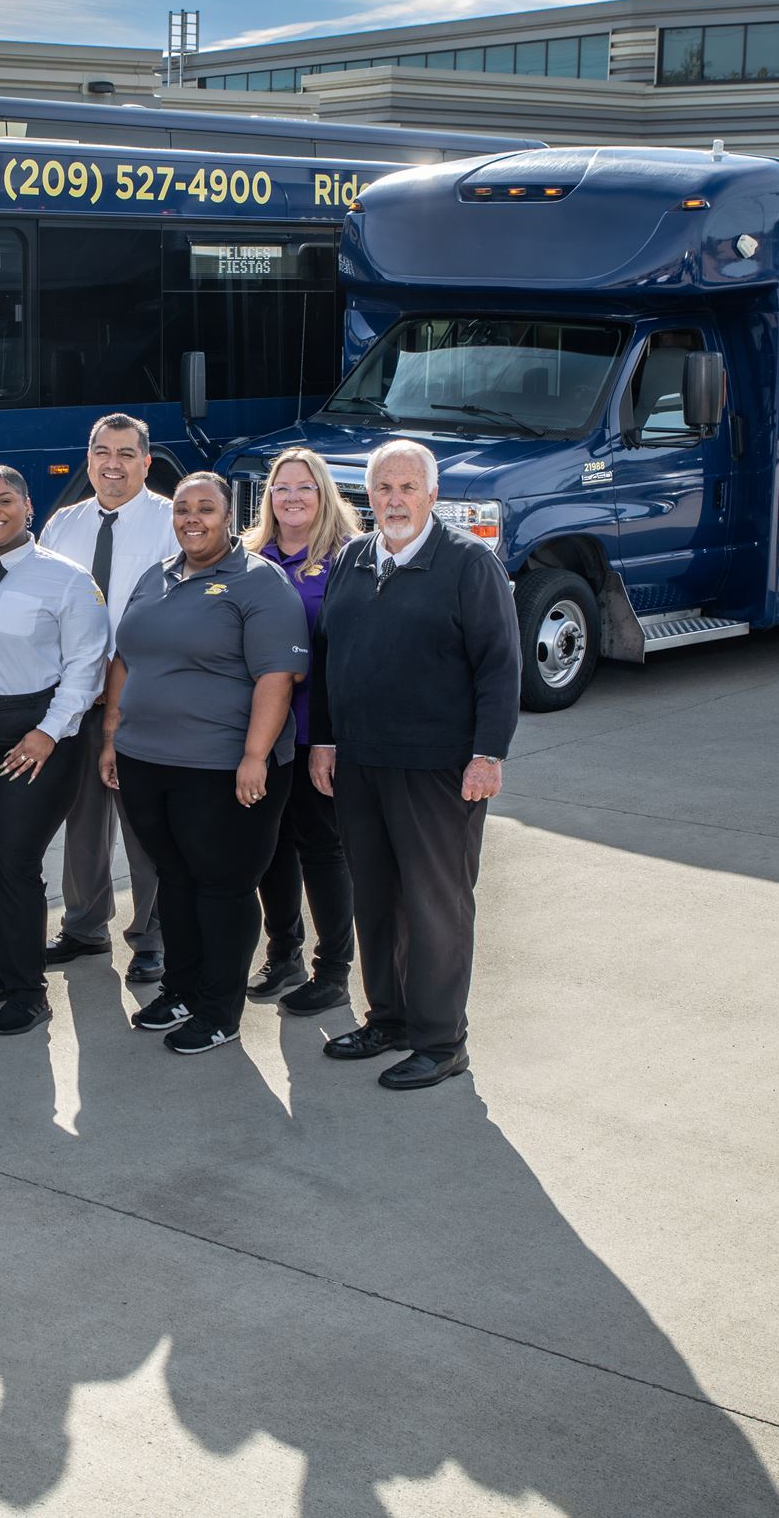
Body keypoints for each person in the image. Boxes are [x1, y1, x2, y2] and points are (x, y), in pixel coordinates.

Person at [309, 440, 521, 1091]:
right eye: (382, 488)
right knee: (374, 900)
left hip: (439, 769)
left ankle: (440, 1040)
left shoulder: (468, 565)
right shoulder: (352, 558)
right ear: (367, 497)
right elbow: (326, 660)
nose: (394, 499)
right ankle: (390, 1019)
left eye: (407, 487)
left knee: (436, 905)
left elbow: (500, 665)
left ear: (432, 495)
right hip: (362, 764)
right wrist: (324, 739)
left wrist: (488, 753)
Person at [99, 475, 308, 1055]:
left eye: (206, 509)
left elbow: (277, 678)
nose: (193, 519)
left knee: (223, 887)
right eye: (184, 508)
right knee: (177, 879)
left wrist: (254, 756)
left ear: (229, 515)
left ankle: (220, 1010)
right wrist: (113, 735)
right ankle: (182, 990)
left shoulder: (258, 583)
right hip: (147, 760)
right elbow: (125, 658)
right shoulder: (157, 575)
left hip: (223, 769)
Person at [0, 467, 109, 1036]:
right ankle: (2, 971)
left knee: (13, 856)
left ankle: (30, 990)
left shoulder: (67, 579)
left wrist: (48, 731)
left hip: (35, 734)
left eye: (5, 500)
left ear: (28, 506)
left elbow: (87, 666)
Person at [38, 413, 177, 982]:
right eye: (102, 452)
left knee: (146, 826)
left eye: (125, 453)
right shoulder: (62, 525)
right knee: (83, 821)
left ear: (147, 461)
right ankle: (84, 925)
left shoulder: (174, 522)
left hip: (145, 701)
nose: (112, 464)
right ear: (88, 458)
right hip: (76, 699)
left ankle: (152, 937)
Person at [245, 449, 363, 1015]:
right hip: (261, 736)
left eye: (305, 488)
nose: (292, 498)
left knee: (323, 849)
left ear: (326, 495)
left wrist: (328, 738)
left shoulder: (349, 560)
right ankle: (284, 953)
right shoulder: (247, 557)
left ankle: (334, 969)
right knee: (271, 849)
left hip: (318, 732)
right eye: (281, 488)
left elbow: (348, 656)